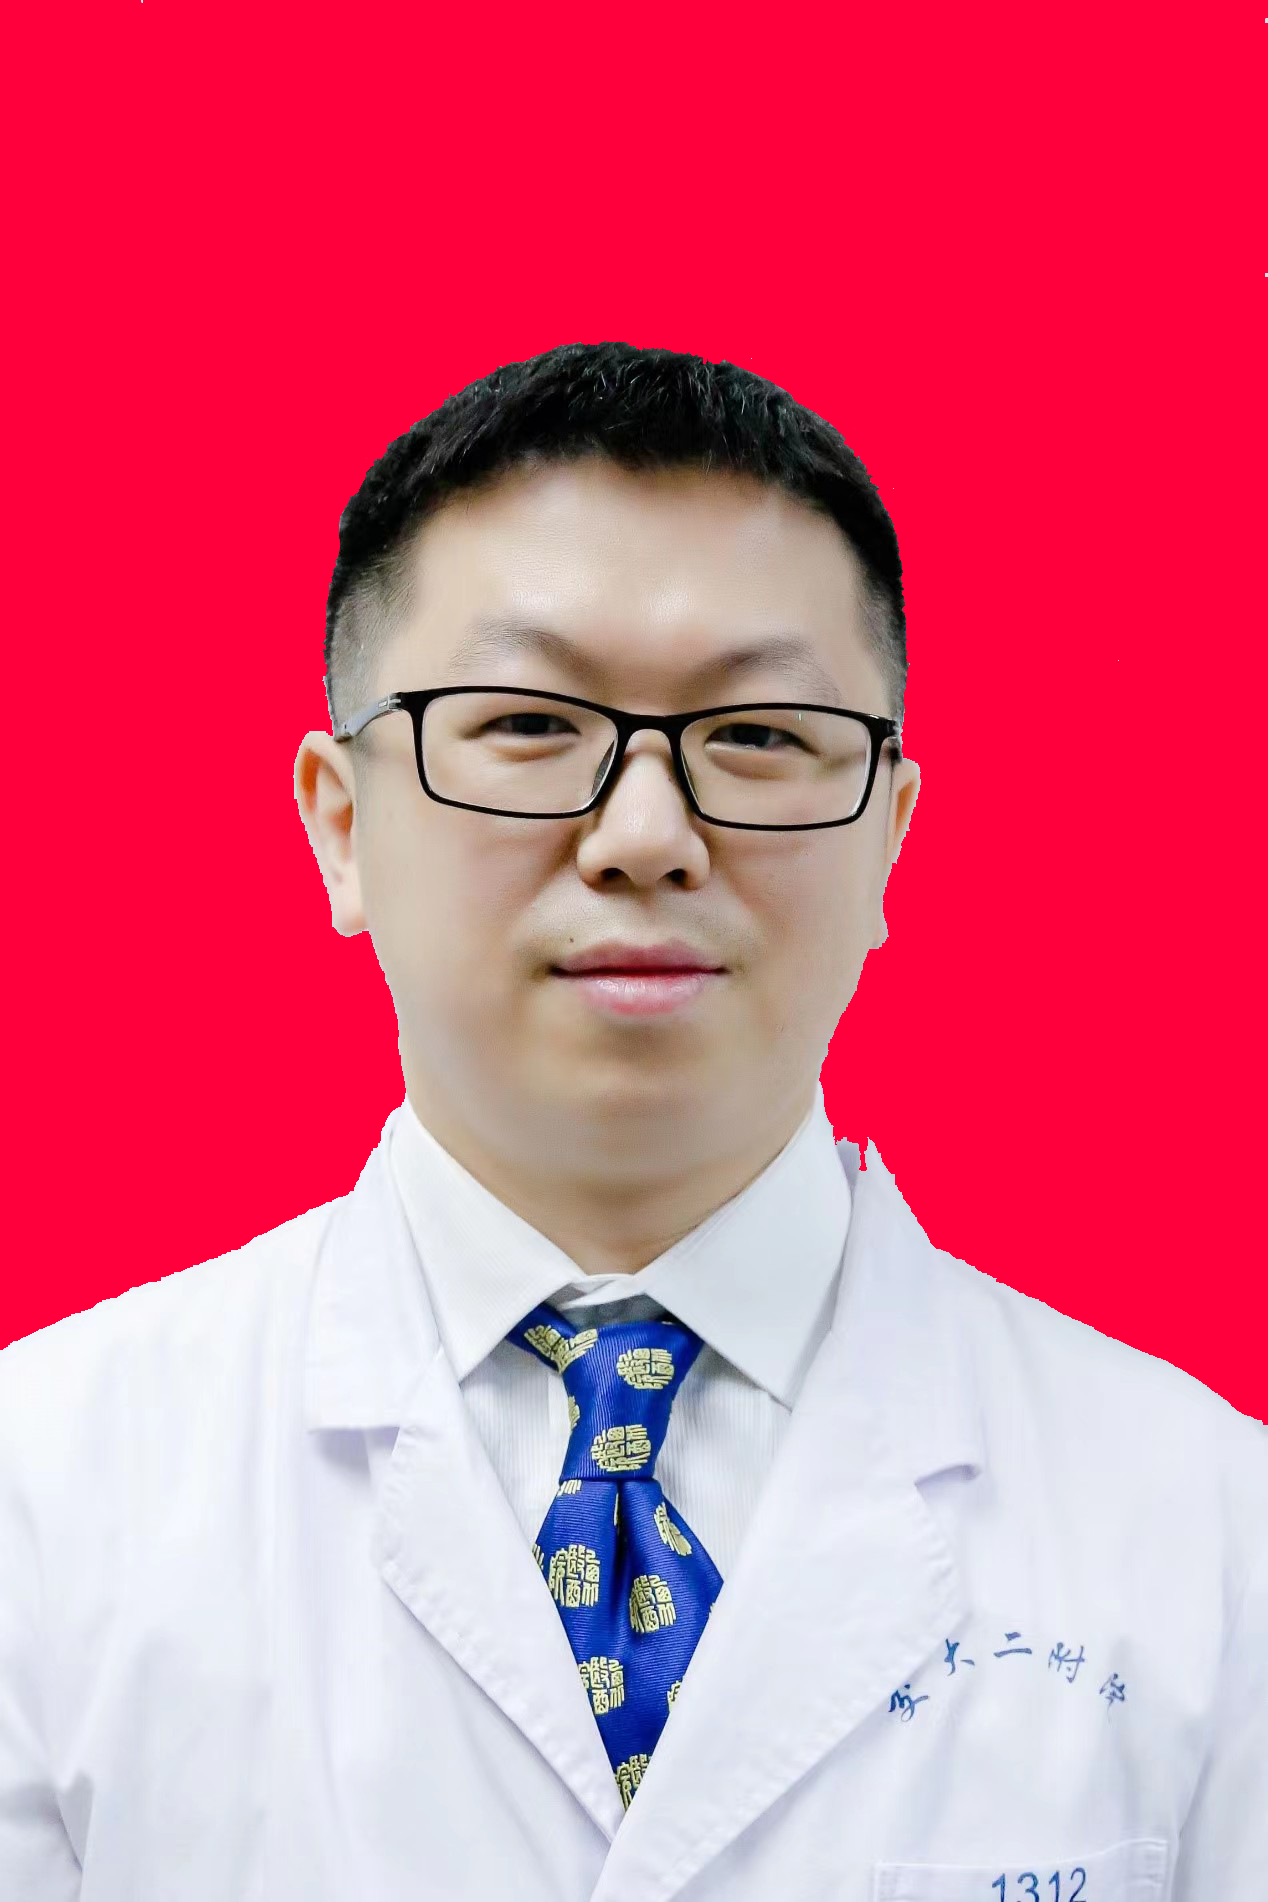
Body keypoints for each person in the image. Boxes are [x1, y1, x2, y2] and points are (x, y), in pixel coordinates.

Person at [0, 341, 1263, 1901]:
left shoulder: (1211, 1530)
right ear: (341, 823)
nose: (648, 835)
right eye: (530, 724)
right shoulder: (44, 1495)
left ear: (890, 837)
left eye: (760, 736)